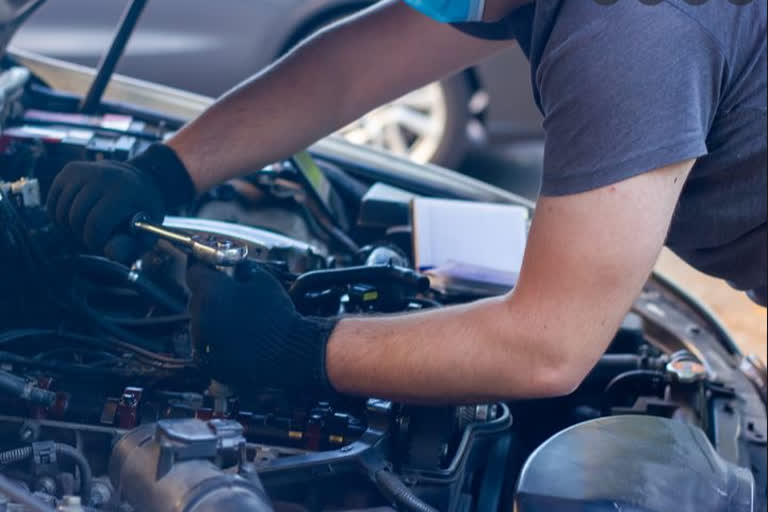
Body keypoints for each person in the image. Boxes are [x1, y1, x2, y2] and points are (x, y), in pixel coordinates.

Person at [47, 0, 766, 401]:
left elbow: (547, 347)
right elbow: (348, 70)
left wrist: (294, 349)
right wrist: (167, 169)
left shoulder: (633, 30)